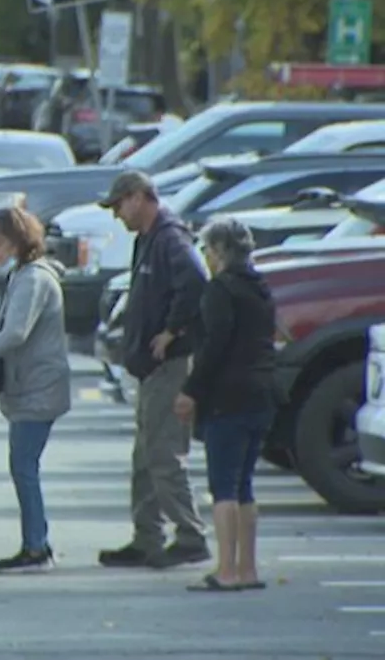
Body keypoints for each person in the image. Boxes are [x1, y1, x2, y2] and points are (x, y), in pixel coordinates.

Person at [97, 171, 211, 569]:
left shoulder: (170, 238)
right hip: (151, 370)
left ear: (140, 198)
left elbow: (197, 283)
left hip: (170, 366)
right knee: (144, 457)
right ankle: (147, 537)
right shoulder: (148, 239)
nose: (117, 215)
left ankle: (190, 535)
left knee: (164, 454)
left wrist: (171, 330)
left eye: (119, 205)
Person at [175, 219, 276, 592]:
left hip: (227, 395)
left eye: (207, 251)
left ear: (218, 252)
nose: (205, 258)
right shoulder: (260, 287)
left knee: (224, 487)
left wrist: (191, 390)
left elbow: (215, 345)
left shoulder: (220, 290)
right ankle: (247, 569)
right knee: (245, 485)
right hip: (261, 391)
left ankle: (226, 570)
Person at [0, 205, 71, 573]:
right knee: (24, 466)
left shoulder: (32, 279)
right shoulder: (24, 274)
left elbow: (16, 333)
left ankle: (37, 546)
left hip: (38, 388)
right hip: (33, 386)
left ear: (16, 241)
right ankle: (36, 542)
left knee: (23, 467)